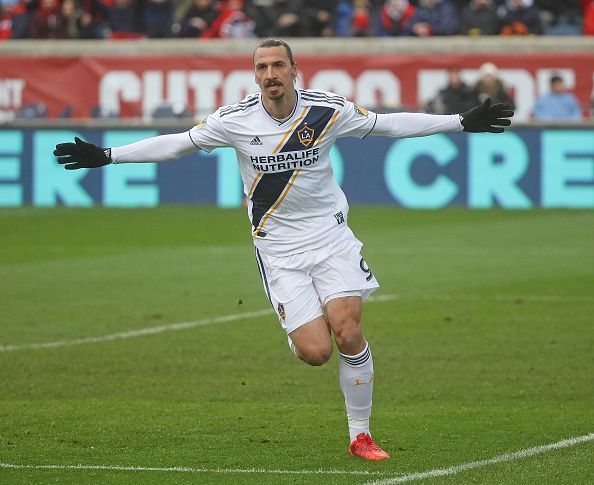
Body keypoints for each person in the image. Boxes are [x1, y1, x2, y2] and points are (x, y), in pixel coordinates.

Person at [53, 38, 513, 460]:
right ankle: (299, 330)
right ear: (254, 76)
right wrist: (109, 156)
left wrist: (459, 122)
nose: (270, 74)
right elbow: (177, 145)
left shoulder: (326, 110)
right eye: (261, 67)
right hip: (278, 250)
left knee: (348, 331)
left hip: (331, 237)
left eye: (277, 65)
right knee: (316, 352)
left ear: (295, 70)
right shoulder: (234, 120)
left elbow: (388, 124)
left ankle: (360, 434)